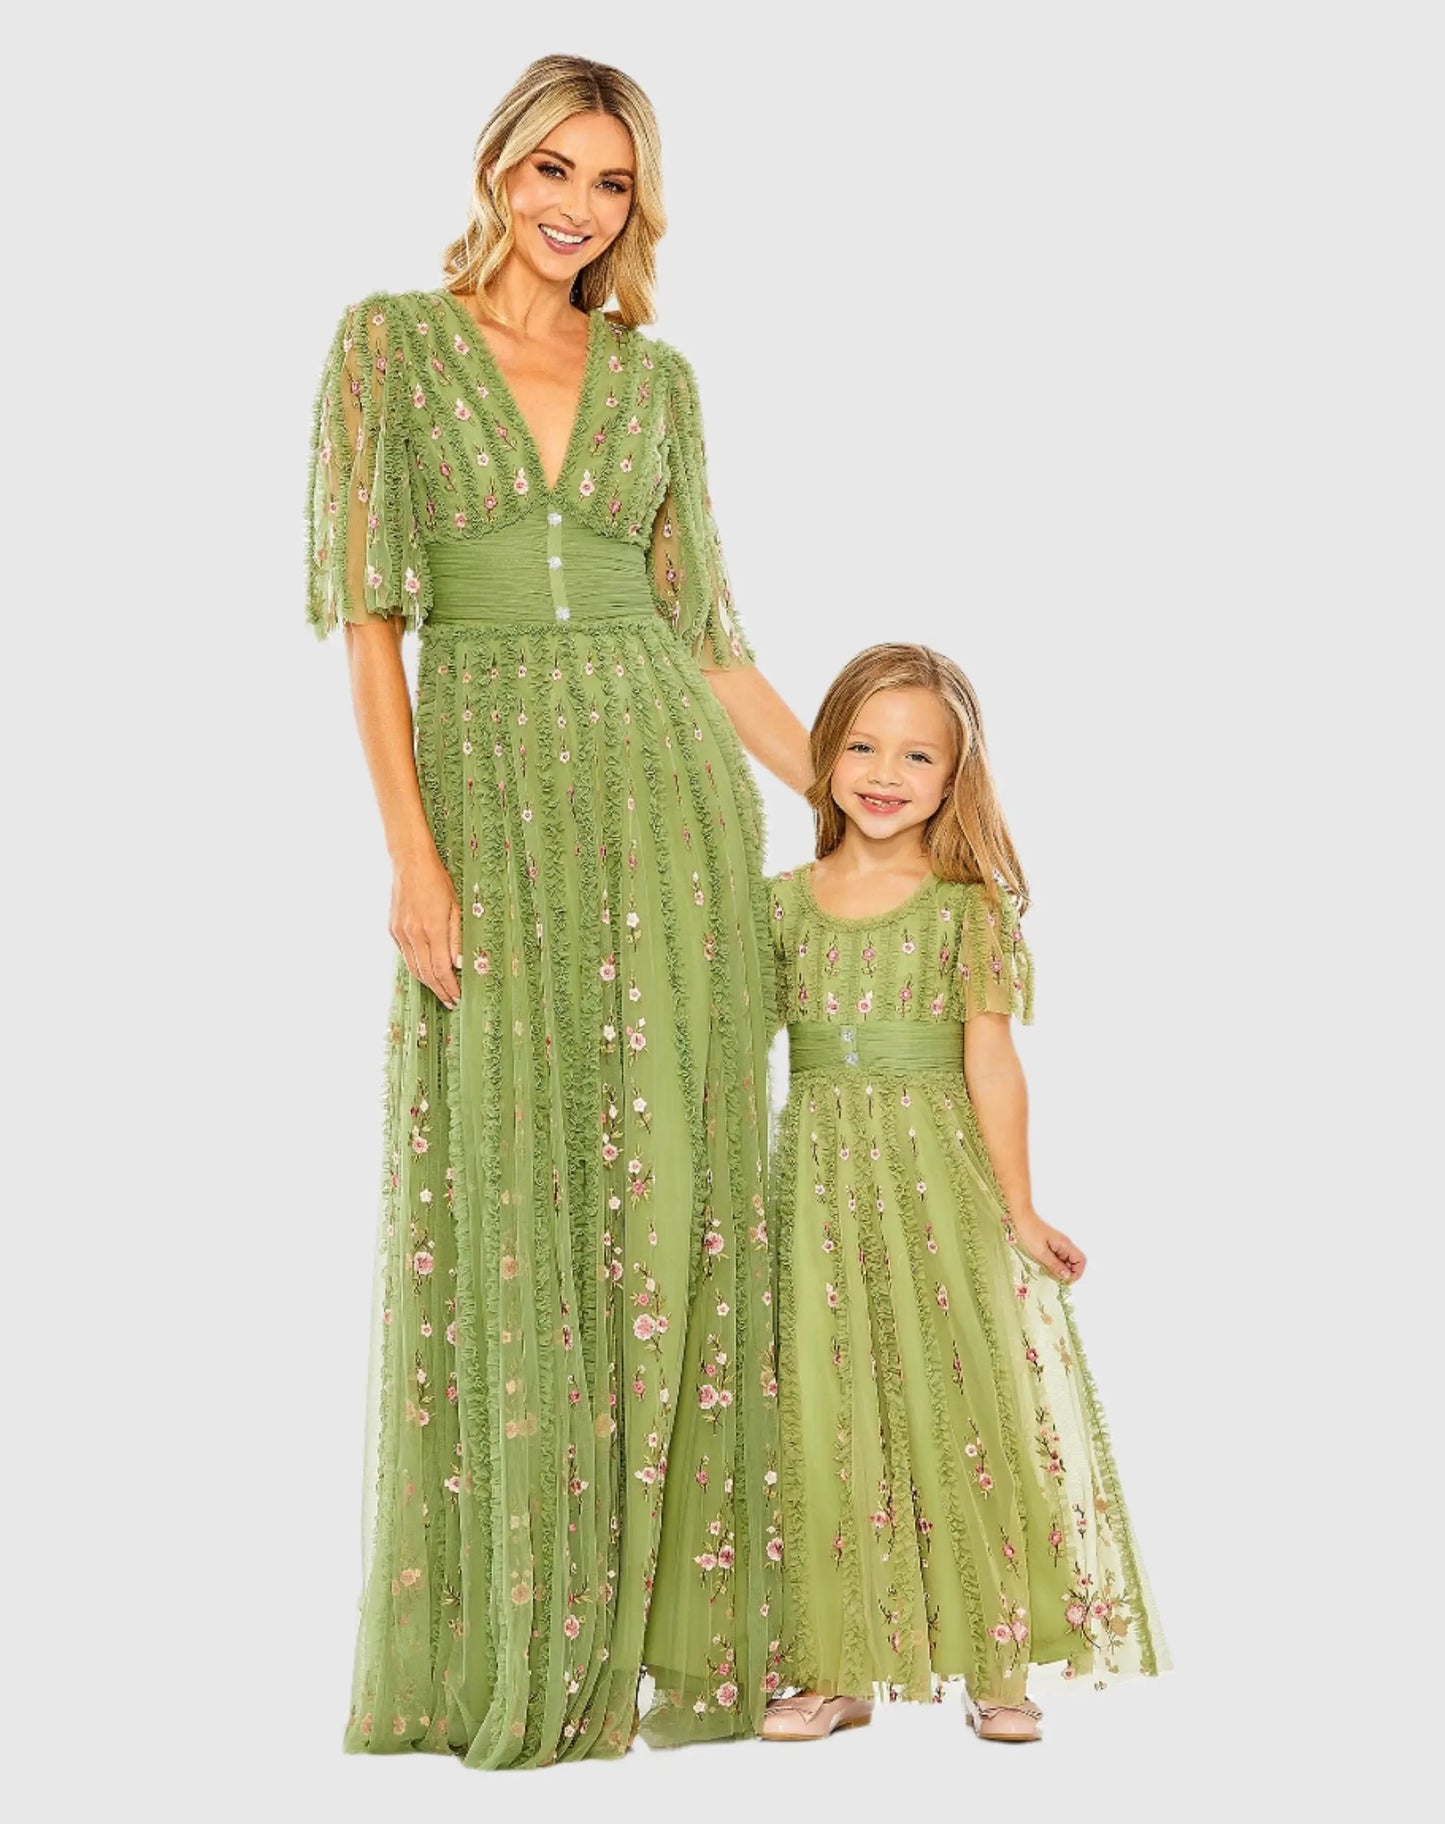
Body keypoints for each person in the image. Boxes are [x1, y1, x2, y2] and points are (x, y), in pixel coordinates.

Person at [305, 53, 811, 1769]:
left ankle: (694, 1631)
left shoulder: (655, 379)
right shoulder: (390, 345)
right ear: (497, 167)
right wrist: (412, 852)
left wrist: (855, 799)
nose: (578, 209)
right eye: (554, 170)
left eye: (611, 184)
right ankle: (529, 1627)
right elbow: (372, 619)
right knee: (513, 1181)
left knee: (677, 1195)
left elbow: (712, 641)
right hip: (489, 802)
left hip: (667, 802)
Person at [760, 644, 1168, 1744]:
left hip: (936, 1179)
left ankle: (996, 1662)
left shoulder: (964, 909)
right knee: (824, 1407)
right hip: (817, 1185)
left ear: (953, 778)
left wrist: (1019, 1209)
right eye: (861, 746)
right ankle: (832, 1664)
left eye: (916, 756)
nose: (883, 773)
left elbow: (991, 1061)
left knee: (963, 1402)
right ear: (823, 754)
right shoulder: (778, 906)